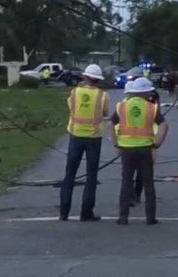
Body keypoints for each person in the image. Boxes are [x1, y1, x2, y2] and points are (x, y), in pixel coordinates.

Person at [111, 76, 167, 225]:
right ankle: (150, 217)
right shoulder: (151, 107)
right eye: (148, 92)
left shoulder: (122, 106)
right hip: (145, 149)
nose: (150, 95)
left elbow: (111, 123)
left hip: (126, 149)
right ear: (144, 92)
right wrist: (157, 144)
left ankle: (123, 217)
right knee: (148, 184)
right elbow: (163, 125)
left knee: (126, 182)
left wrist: (116, 143)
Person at [58, 65, 110, 222]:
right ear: (98, 80)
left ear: (85, 78)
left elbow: (71, 108)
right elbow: (105, 113)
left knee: (69, 175)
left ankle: (64, 212)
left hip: (75, 135)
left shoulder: (74, 93)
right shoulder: (102, 96)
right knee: (91, 175)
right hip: (94, 138)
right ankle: (86, 212)